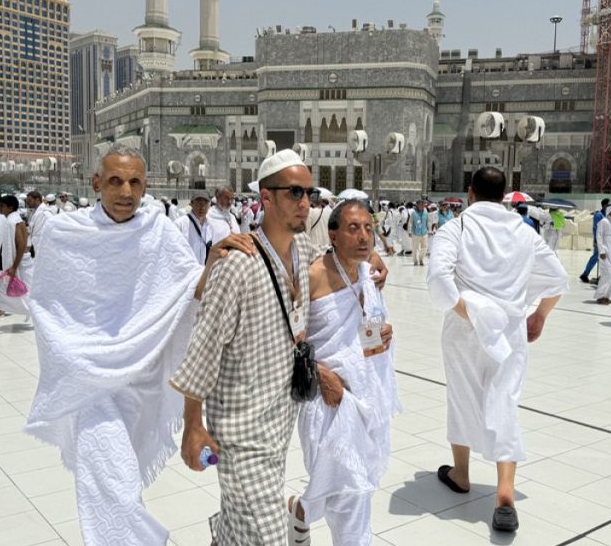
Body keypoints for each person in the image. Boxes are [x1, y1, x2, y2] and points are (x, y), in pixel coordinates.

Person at [25, 144, 253, 546]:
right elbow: (48, 309)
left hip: (141, 380)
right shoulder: (66, 233)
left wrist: (214, 261)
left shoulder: (159, 230)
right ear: (96, 183)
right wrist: (75, 360)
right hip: (91, 386)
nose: (125, 192)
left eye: (134, 182)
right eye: (115, 181)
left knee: (118, 479)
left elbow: (187, 292)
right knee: (112, 483)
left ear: (146, 186)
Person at [170, 149, 325, 545]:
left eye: (309, 193)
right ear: (266, 198)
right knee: (269, 536)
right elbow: (203, 349)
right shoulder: (238, 262)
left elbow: (335, 259)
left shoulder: (303, 251)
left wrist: (372, 258)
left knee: (242, 526)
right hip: (240, 430)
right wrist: (192, 426)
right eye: (294, 193)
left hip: (278, 421)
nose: (305, 203)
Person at [427, 166, 567, 534]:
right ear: (505, 196)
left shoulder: (454, 228)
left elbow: (440, 281)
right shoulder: (524, 232)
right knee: (504, 401)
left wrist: (470, 311)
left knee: (461, 396)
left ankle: (461, 473)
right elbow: (558, 278)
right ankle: (505, 494)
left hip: (463, 331)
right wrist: (540, 315)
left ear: (470, 192)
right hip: (510, 332)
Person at [287, 199, 399, 546]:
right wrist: (323, 375)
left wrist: (382, 333)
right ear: (333, 235)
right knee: (347, 489)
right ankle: (305, 513)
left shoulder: (367, 275)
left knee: (348, 489)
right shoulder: (312, 276)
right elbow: (284, 338)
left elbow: (364, 333)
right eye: (353, 228)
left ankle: (301, 511)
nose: (364, 236)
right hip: (324, 402)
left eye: (369, 228)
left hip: (365, 397)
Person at [0, 195, 31, 329]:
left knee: (29, 294)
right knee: (2, 292)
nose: (0, 208)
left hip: (19, 264)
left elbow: (21, 245)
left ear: (10, 207)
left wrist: (13, 267)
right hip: (19, 263)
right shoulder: (15, 220)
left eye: (2, 206)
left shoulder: (13, 222)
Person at [174, 191, 213, 264]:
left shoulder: (211, 225)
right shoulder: (180, 224)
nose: (202, 207)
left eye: (205, 203)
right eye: (198, 203)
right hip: (187, 271)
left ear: (209, 205)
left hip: (204, 271)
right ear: (191, 204)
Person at [579, 198, 610, 284]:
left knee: (603, 259)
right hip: (599, 240)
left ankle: (602, 276)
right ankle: (585, 274)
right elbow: (597, 228)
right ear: (604, 206)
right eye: (608, 205)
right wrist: (597, 241)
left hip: (606, 240)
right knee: (595, 257)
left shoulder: (606, 215)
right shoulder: (598, 215)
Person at [25, 191, 52, 256]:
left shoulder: (43, 213)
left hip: (40, 249)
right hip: (36, 247)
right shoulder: (36, 212)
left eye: (30, 200)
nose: (28, 203)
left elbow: (38, 235)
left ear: (37, 200)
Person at [408, 200, 430, 266]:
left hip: (424, 232)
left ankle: (421, 259)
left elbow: (428, 221)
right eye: (421, 204)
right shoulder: (413, 213)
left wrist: (429, 230)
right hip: (415, 233)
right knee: (415, 248)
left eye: (423, 204)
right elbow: (410, 222)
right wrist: (409, 231)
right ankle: (415, 260)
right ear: (417, 205)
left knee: (425, 247)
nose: (422, 206)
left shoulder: (426, 212)